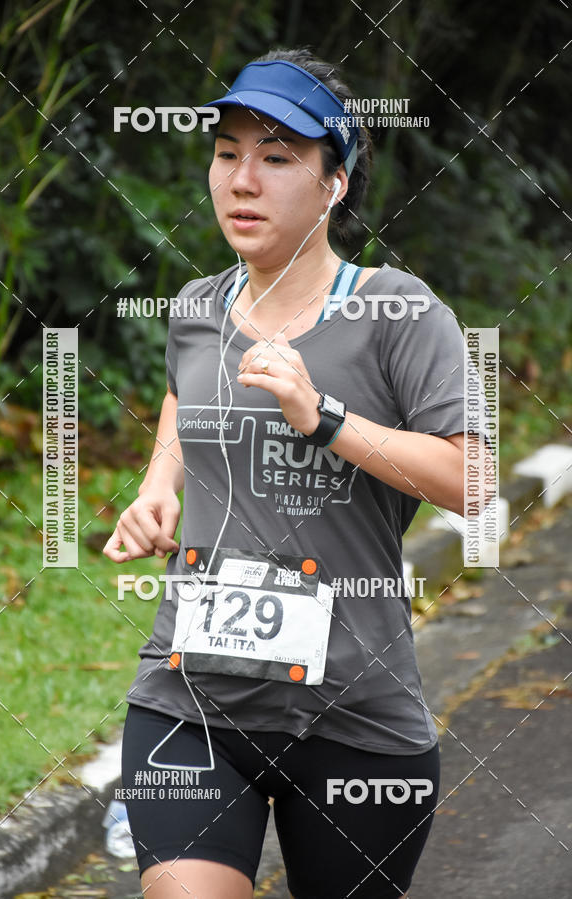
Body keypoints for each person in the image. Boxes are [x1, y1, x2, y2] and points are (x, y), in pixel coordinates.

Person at [104, 47, 469, 899]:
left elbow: (472, 481)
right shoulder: (197, 307)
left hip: (355, 717)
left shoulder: (400, 312)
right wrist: (159, 486)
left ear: (334, 183)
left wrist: (326, 418)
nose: (242, 180)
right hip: (189, 698)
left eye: (276, 157)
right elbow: (181, 394)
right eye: (228, 152)